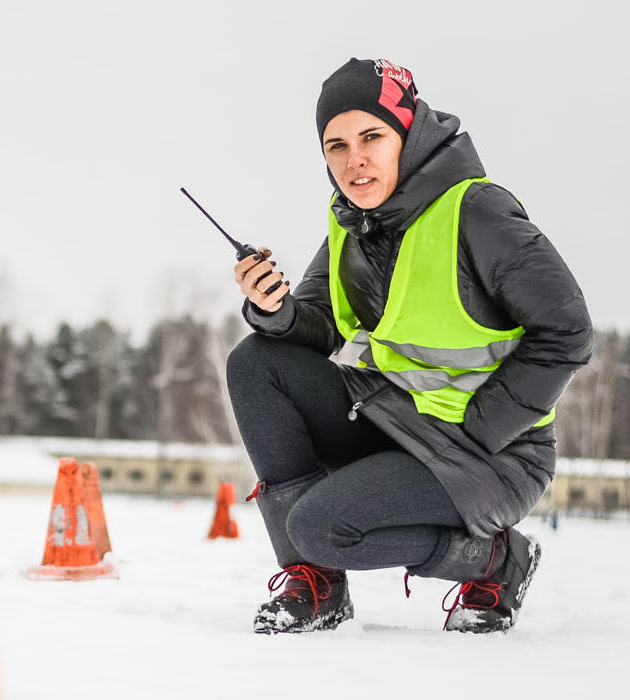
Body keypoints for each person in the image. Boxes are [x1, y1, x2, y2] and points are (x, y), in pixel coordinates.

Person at [226, 58, 592, 634]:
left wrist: (483, 428)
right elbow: (321, 324)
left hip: (491, 451)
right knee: (257, 362)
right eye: (336, 145)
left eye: (371, 136)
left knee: (321, 526)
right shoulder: (351, 223)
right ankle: (316, 585)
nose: (355, 160)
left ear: (408, 133)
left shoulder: (477, 210)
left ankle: (499, 561)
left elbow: (567, 329)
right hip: (397, 422)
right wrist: (275, 310)